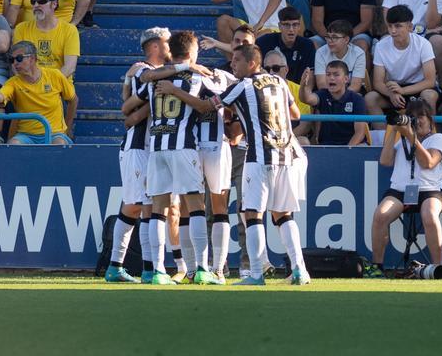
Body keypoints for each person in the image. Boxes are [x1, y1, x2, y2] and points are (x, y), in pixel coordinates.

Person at [182, 43, 311, 286]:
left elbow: (205, 106)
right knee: (283, 215)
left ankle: (255, 274)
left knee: (251, 214)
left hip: (260, 157)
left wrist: (173, 89)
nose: (232, 65)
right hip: (287, 155)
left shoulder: (242, 86)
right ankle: (300, 270)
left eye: (237, 60)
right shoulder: (280, 83)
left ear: (252, 63)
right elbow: (296, 115)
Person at [120, 31, 223, 286]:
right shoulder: (197, 76)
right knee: (195, 205)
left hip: (156, 147)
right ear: (191, 52)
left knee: (158, 210)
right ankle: (201, 268)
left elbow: (131, 101)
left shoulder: (155, 79)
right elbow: (221, 96)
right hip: (183, 146)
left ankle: (157, 271)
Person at [108, 27, 171, 283]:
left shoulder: (139, 72)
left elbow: (129, 103)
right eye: (167, 43)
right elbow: (136, 106)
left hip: (145, 147)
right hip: (137, 147)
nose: (171, 47)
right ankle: (148, 269)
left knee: (134, 207)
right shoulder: (144, 72)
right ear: (155, 46)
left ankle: (117, 267)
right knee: (143, 207)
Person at [366, 98, 442, 277]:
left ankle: (437, 267)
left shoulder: (438, 138)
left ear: (430, 120)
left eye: (421, 117)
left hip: (429, 190)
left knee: (429, 214)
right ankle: (377, 267)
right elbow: (385, 161)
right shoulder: (402, 141)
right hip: (401, 190)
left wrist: (411, 137)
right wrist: (394, 130)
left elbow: (428, 162)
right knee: (380, 214)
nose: (417, 121)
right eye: (412, 117)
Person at [0, 40, 77, 144]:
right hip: (26, 136)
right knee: (14, 144)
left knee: (58, 144)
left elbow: (73, 100)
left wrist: (67, 127)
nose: (14, 63)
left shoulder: (55, 75)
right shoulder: (13, 83)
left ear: (32, 59)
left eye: (19, 58)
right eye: (12, 60)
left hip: (54, 134)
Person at [365, 6, 438, 127]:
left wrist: (403, 90)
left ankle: (429, 135)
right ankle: (382, 139)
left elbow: (430, 81)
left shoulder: (423, 44)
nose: (393, 31)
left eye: (398, 26)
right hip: (393, 90)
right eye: (390, 26)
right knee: (370, 98)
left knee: (429, 96)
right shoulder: (381, 46)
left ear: (410, 27)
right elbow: (377, 82)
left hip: (418, 88)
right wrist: (391, 94)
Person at [12, 0, 79, 78]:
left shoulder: (69, 30)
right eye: (33, 2)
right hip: (29, 84)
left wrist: (47, 86)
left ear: (54, 4)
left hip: (58, 85)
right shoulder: (21, 28)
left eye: (42, 1)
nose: (36, 5)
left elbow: (69, 67)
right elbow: (17, 64)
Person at [300, 60, 369, 146]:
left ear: (346, 79)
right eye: (328, 74)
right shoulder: (322, 94)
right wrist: (303, 85)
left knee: (361, 147)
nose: (331, 78)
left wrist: (345, 151)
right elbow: (306, 99)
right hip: (327, 146)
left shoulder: (357, 99)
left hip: (352, 146)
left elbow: (360, 133)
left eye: (336, 75)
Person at [255, 7, 314, 83]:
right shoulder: (264, 42)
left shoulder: (307, 45)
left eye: (295, 25)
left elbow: (310, 77)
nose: (291, 29)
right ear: (279, 26)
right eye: (287, 25)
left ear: (299, 26)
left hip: (298, 90)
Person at [313, 19, 366, 92]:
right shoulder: (321, 52)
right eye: (328, 37)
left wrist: (342, 98)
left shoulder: (358, 54)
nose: (330, 41)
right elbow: (322, 84)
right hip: (328, 95)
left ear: (346, 40)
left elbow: (355, 85)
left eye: (335, 37)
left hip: (350, 94)